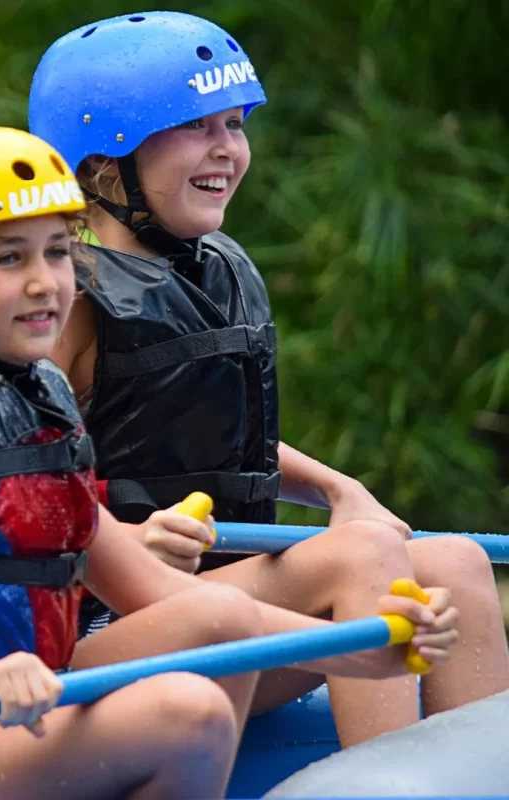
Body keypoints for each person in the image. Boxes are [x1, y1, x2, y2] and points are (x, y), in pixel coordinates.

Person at [0, 127, 457, 800]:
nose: (47, 282)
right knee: (186, 710)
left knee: (214, 615)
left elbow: (165, 597)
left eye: (60, 252)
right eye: (9, 257)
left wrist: (365, 650)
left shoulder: (38, 395)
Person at [28, 10, 508, 747]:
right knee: (360, 555)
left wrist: (337, 489)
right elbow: (12, 481)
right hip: (107, 627)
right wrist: (119, 545)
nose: (228, 149)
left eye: (234, 124)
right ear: (102, 166)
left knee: (457, 563)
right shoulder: (71, 302)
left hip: (215, 603)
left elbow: (217, 441)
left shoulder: (218, 268)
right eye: (196, 127)